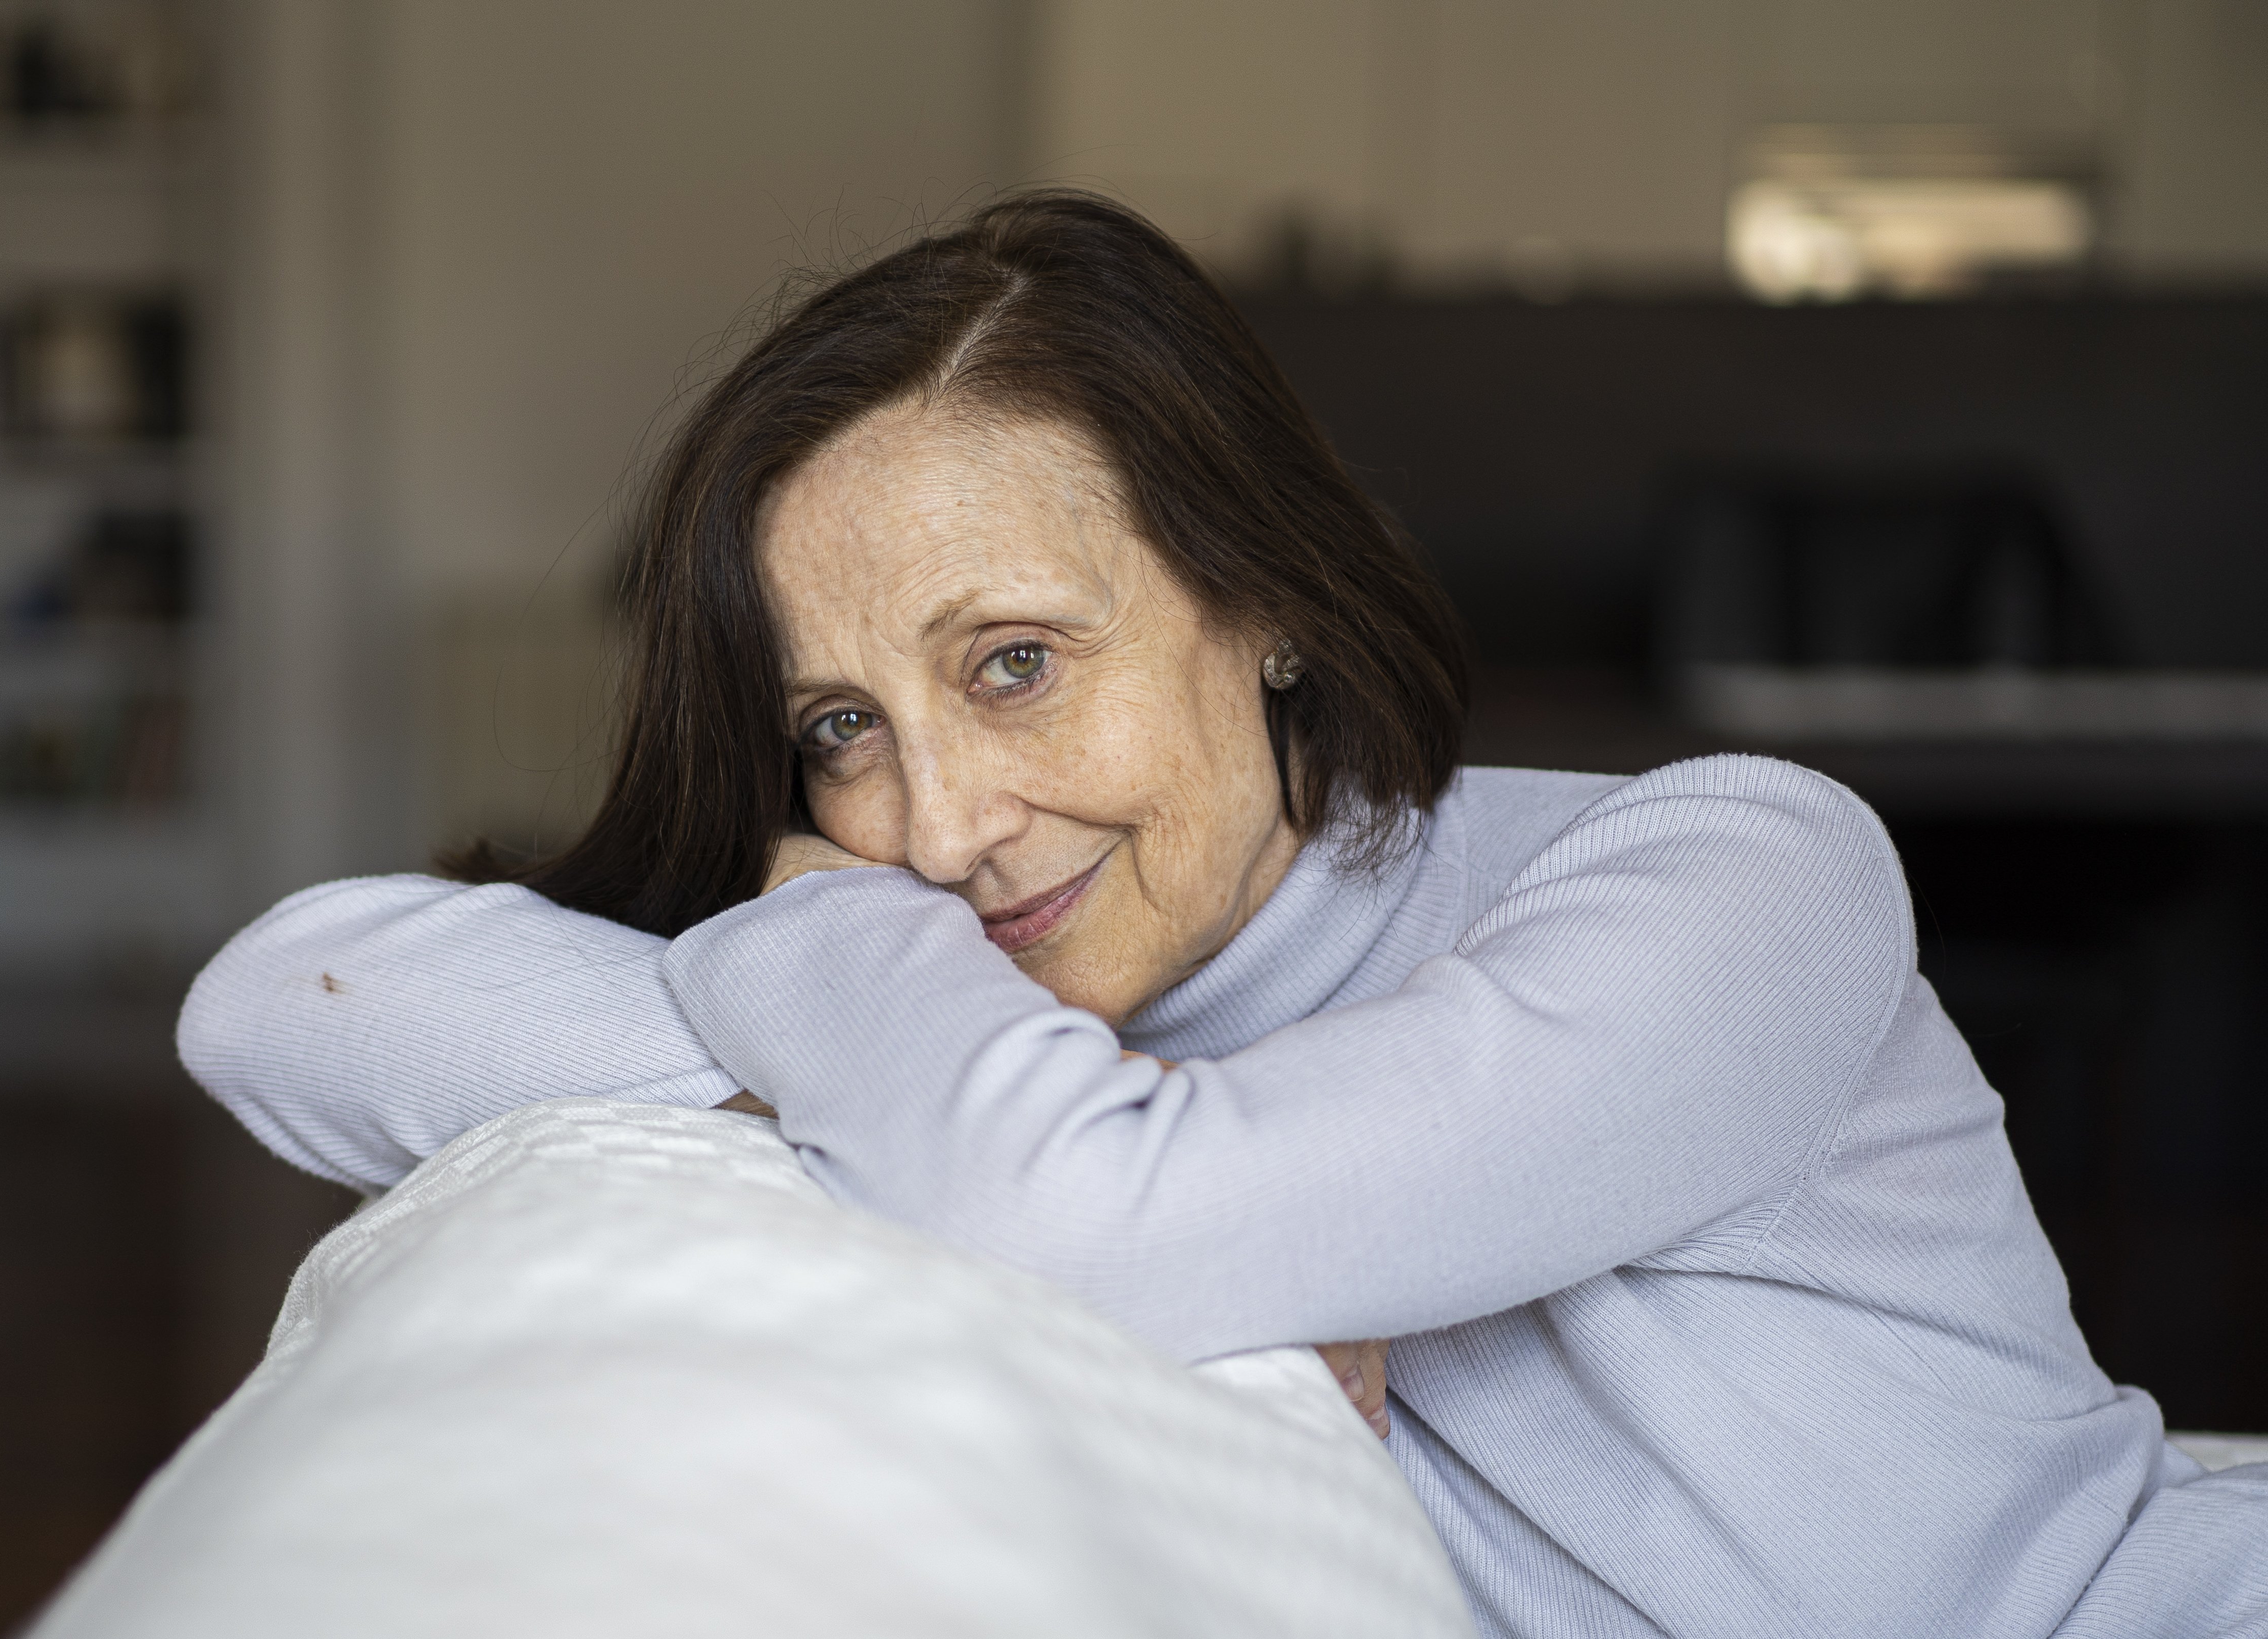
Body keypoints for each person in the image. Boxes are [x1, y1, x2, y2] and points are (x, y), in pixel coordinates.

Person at [180, 192, 2265, 1639]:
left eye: (1012, 659)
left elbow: (1103, 1221)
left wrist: (842, 980)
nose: (936, 821)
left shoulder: (1735, 877)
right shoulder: (996, 1018)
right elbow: (286, 1000)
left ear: (1257, 596)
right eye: (837, 726)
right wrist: (880, 1014)